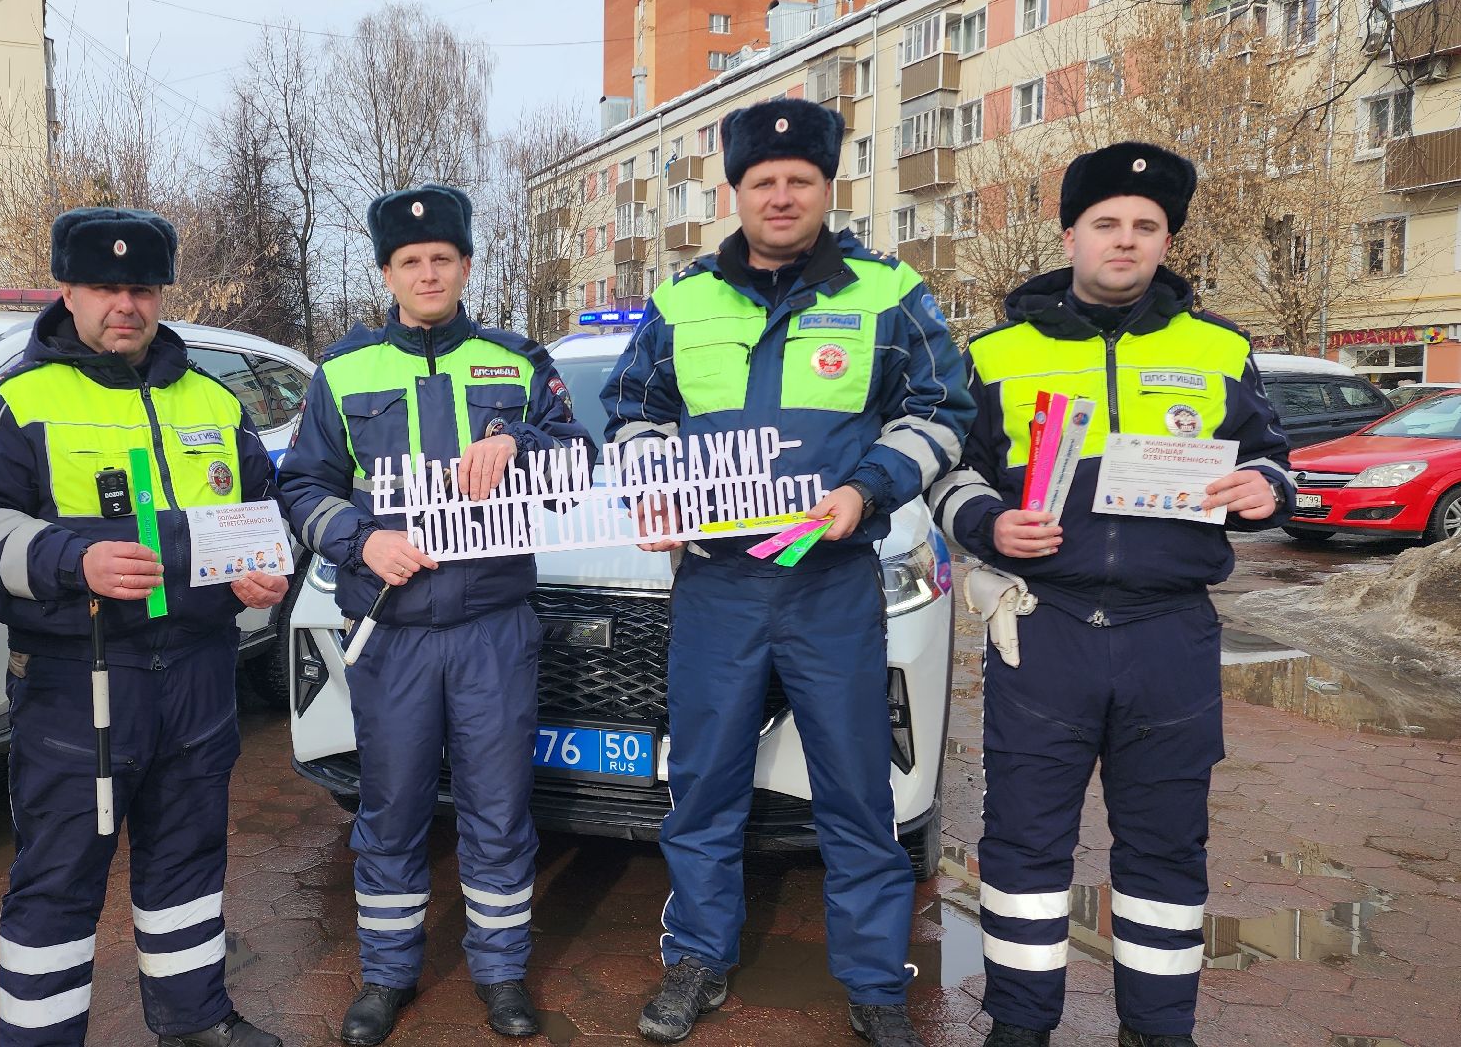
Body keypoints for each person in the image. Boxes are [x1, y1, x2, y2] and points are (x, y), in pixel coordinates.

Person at [600, 97, 973, 1047]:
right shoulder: (683, 301)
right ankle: (696, 956)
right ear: (736, 191)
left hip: (830, 580)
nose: (779, 195)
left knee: (855, 786)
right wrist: (653, 482)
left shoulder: (885, 293)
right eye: (761, 181)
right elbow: (634, 408)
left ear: (825, 187)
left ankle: (875, 978)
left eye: (798, 180)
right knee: (704, 780)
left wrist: (866, 493)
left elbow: (940, 410)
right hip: (718, 584)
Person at [926, 143, 1292, 1047]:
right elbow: (948, 475)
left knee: (1167, 846)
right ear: (1072, 234)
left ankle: (1159, 1030)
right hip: (1042, 631)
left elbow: (1272, 457)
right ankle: (1020, 1025)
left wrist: (1267, 490)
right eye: (1107, 224)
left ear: (1167, 241)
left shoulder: (1219, 348)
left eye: (1146, 227)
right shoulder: (997, 354)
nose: (1125, 241)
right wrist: (988, 527)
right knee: (1023, 847)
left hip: (1169, 634)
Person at [0, 208, 288, 1047]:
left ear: (160, 294)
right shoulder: (19, 398)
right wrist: (73, 561)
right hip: (79, 680)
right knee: (59, 878)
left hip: (200, 669)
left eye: (140, 288)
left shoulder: (211, 395)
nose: (124, 305)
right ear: (68, 290)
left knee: (188, 858)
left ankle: (194, 1018)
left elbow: (259, 507)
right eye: (105, 287)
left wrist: (265, 570)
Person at [277, 184, 594, 1045]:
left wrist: (520, 444)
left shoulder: (517, 362)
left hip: (495, 627)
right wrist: (357, 540)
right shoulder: (342, 373)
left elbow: (580, 462)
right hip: (394, 631)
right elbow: (299, 484)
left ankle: (500, 974)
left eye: (441, 259)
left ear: (463, 266)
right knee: (392, 807)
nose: (427, 272)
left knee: (498, 808)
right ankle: (386, 976)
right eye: (410, 261)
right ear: (387, 271)